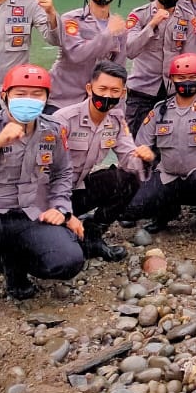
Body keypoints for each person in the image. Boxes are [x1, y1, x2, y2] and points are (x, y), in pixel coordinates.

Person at [0, 64, 84, 341]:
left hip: (24, 214)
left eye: (37, 94)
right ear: (6, 95)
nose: (29, 100)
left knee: (68, 260)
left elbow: (62, 173)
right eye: (21, 93)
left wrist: (61, 209)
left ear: (46, 98)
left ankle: (13, 264)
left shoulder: (52, 130)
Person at [125, 53, 196, 242]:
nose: (186, 82)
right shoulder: (160, 110)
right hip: (168, 175)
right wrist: (144, 153)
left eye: (192, 78)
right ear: (172, 79)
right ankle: (165, 213)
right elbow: (142, 142)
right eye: (181, 78)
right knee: (133, 208)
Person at [50, 60, 143, 262]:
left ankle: (94, 234)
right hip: (49, 198)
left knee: (128, 179)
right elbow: (40, 172)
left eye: (114, 90)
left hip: (78, 190)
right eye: (102, 88)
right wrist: (61, 211)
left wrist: (143, 157)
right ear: (90, 89)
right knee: (63, 257)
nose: (108, 95)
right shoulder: (63, 120)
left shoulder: (116, 121)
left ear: (123, 93)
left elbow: (129, 157)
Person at [124, 0, 196, 133]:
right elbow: (129, 50)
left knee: (168, 141)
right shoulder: (139, 14)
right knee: (133, 142)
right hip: (141, 90)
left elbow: (191, 56)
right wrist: (152, 24)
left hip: (173, 91)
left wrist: (190, 93)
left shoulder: (187, 17)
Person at [47, 0, 128, 109]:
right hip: (62, 99)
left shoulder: (119, 27)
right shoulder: (71, 20)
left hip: (98, 103)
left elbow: (119, 71)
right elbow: (76, 54)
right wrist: (108, 33)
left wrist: (119, 111)